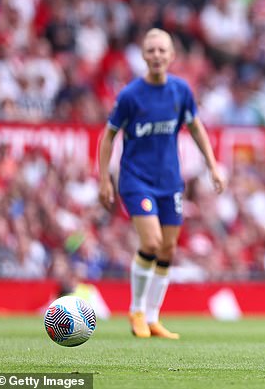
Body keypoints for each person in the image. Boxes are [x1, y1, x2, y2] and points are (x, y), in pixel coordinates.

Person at [98, 28, 224, 339]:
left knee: (167, 249)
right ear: (143, 55)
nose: (156, 55)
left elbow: (196, 129)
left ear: (171, 56)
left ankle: (153, 317)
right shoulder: (130, 96)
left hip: (169, 181)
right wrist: (104, 178)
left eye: (162, 50)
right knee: (151, 243)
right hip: (135, 179)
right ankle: (136, 310)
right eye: (151, 50)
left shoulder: (181, 91)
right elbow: (108, 136)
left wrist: (212, 166)